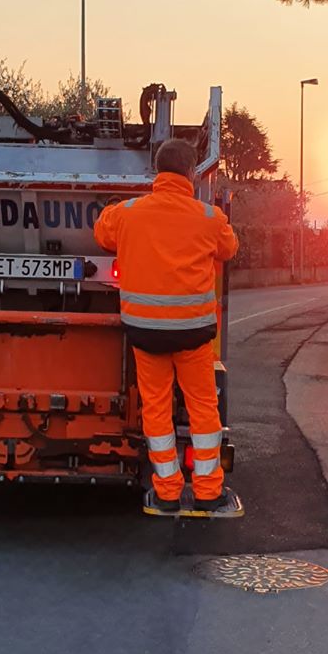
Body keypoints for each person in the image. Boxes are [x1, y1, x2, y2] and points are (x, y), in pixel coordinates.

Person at [94, 138, 239, 512]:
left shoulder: (127, 213)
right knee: (203, 409)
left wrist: (112, 208)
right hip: (193, 335)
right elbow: (230, 248)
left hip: (146, 334)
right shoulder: (208, 218)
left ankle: (167, 493)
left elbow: (102, 232)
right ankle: (208, 493)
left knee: (156, 410)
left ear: (157, 172)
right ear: (191, 173)